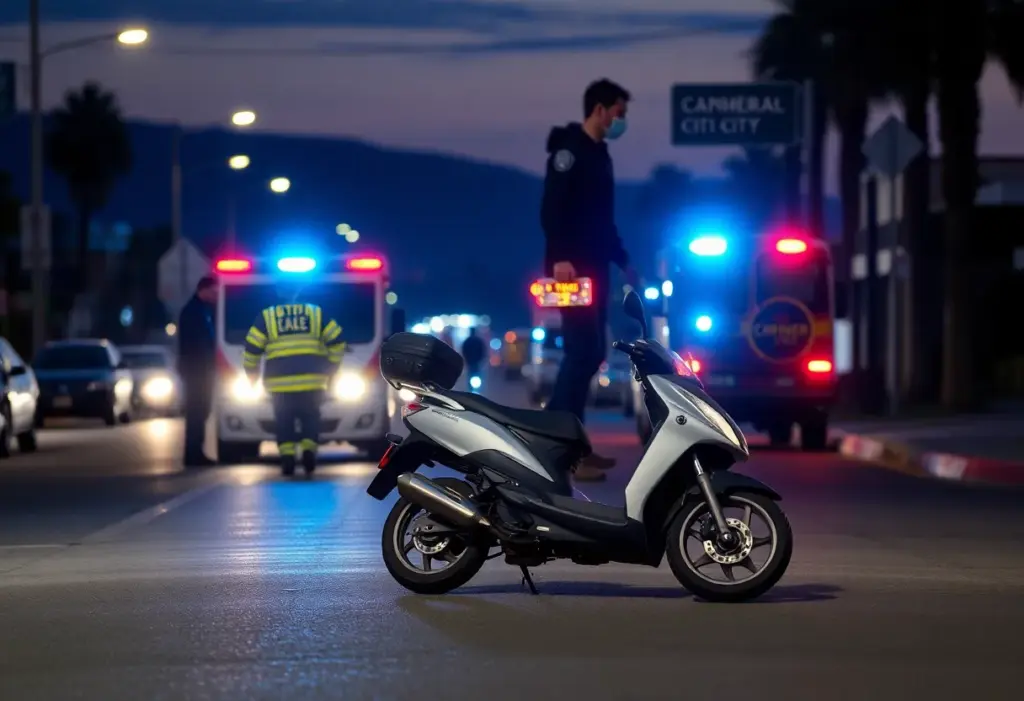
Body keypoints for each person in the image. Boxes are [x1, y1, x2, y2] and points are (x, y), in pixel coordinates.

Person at [540, 78, 639, 483]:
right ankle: (557, 445)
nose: (622, 120)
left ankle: (571, 443)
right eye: (619, 112)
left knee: (591, 351)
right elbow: (552, 209)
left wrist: (622, 259)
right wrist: (561, 257)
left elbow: (602, 218)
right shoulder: (570, 151)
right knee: (581, 351)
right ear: (599, 109)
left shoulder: (600, 154)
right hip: (571, 270)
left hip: (594, 268)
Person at [241, 282, 346, 476]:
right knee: (310, 418)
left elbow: (252, 349)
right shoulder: (315, 313)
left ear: (278, 293)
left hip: (279, 384)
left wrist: (251, 374)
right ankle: (309, 452)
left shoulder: (268, 316)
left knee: (284, 421)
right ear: (299, 291)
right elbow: (337, 342)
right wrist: (331, 368)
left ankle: (287, 459)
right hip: (312, 381)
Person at [177, 276, 219, 467]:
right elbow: (196, 344)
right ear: (204, 290)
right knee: (196, 411)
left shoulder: (202, 310)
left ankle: (196, 451)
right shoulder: (193, 312)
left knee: (201, 411)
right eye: (214, 292)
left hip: (200, 370)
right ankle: (193, 454)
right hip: (196, 370)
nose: (216, 295)